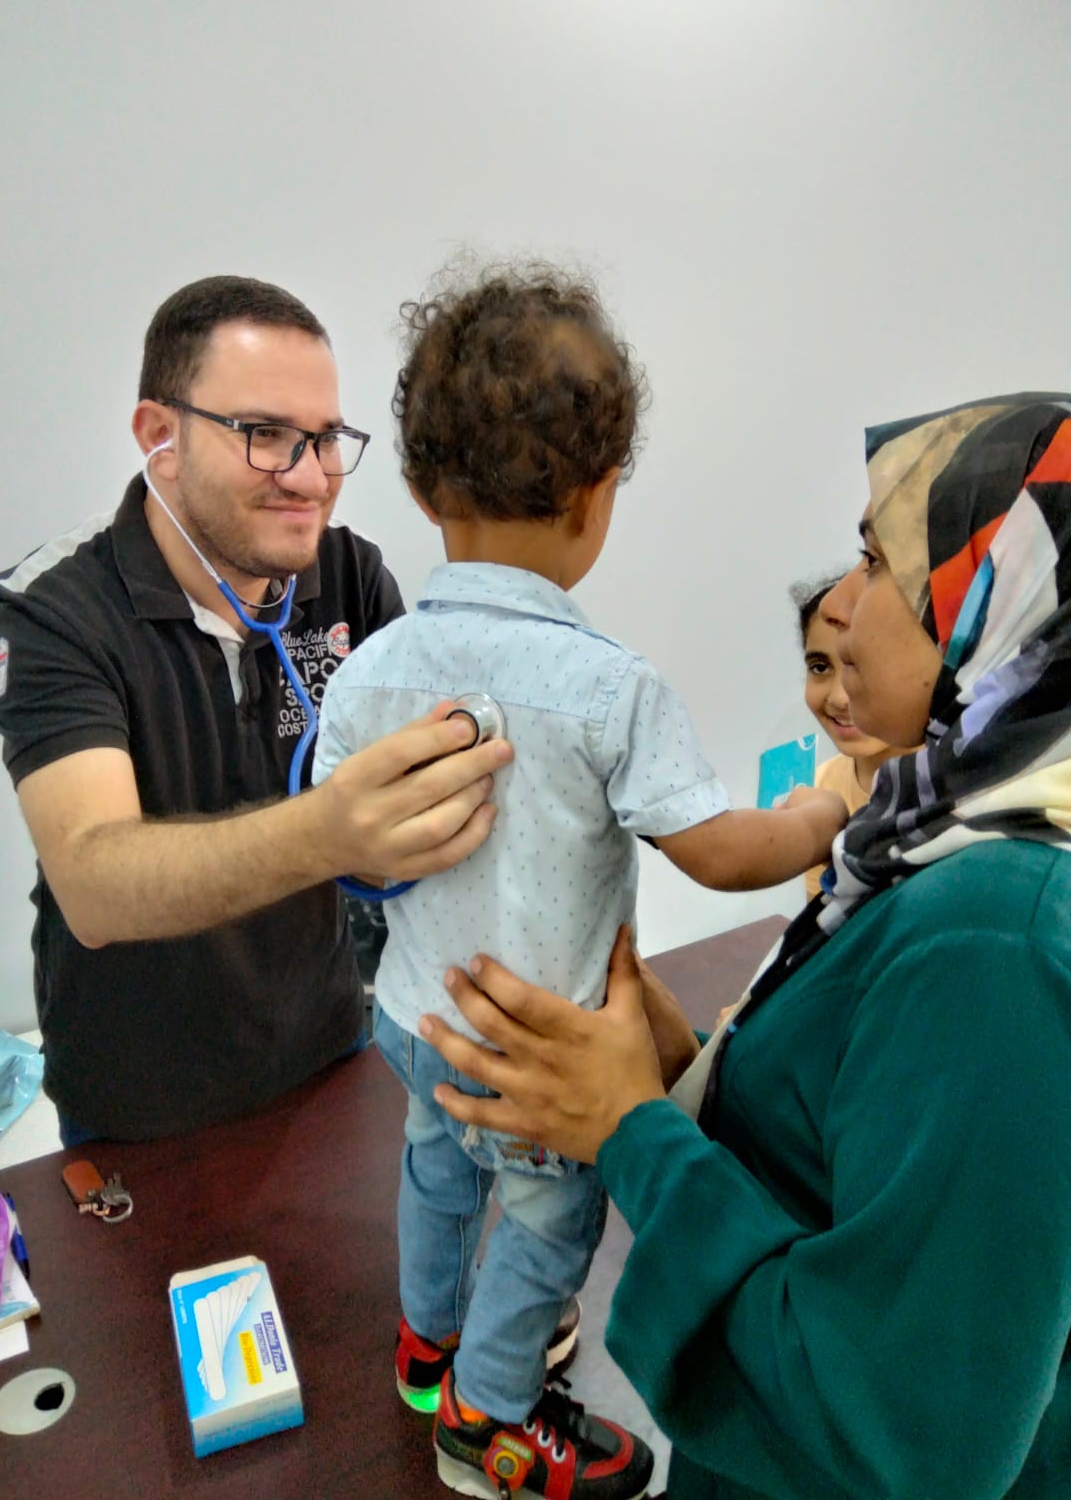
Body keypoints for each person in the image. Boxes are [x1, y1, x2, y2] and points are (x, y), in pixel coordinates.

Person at [421, 391, 1071, 1499]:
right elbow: (851, 1145)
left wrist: (629, 1130)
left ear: (993, 607)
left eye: (877, 561)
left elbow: (898, 1429)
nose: (843, 602)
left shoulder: (997, 941)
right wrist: (681, 1068)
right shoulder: (946, 835)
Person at [312, 264, 847, 1500]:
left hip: (413, 1022)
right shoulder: (610, 688)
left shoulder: (369, 669)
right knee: (551, 1221)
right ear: (599, 494)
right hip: (536, 1052)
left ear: (419, 486)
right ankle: (486, 1419)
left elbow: (342, 841)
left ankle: (425, 1349)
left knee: (435, 1169)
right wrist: (819, 814)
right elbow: (717, 852)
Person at [0, 275, 511, 1145]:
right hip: (137, 1106)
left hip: (328, 1050)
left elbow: (421, 809)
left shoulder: (348, 577)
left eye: (326, 439)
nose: (309, 478)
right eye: (265, 435)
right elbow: (94, 883)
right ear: (160, 437)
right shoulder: (54, 610)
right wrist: (330, 833)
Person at [793, 574, 912, 900]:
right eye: (820, 667)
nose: (840, 697)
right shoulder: (820, 788)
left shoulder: (958, 788)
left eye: (865, 664)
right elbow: (825, 916)